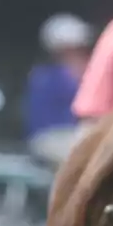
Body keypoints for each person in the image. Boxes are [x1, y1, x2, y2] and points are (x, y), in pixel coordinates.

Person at [25, 13, 92, 165]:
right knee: (92, 155)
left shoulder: (58, 74)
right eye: (78, 48)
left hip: (70, 134)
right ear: (63, 50)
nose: (84, 52)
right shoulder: (50, 76)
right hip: (50, 137)